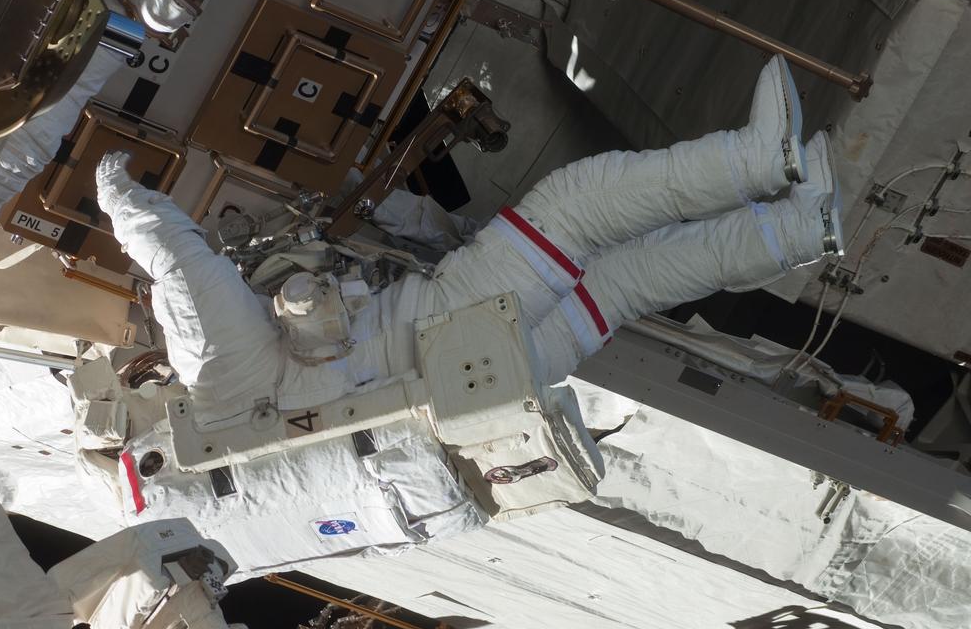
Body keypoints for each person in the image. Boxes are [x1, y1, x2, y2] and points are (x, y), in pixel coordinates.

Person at [93, 54, 841, 425]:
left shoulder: (250, 440)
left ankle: (803, 226)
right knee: (574, 210)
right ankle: (755, 158)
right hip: (445, 330)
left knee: (625, 283)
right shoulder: (218, 377)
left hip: (488, 385)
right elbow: (184, 267)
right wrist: (115, 194)